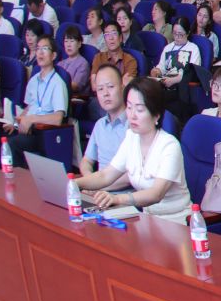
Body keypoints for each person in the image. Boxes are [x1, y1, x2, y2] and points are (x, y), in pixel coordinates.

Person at [70, 78, 192, 223]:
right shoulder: (131, 137)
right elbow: (105, 176)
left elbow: (156, 194)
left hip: (176, 220)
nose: (132, 115)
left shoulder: (169, 146)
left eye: (139, 109)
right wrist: (74, 183)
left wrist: (117, 199)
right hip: (147, 219)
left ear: (156, 115)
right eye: (129, 107)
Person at [10, 36, 73, 164]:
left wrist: (32, 119)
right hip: (29, 129)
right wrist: (16, 124)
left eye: (45, 49)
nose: (40, 53)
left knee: (14, 143)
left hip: (44, 133)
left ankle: (21, 176)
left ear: (53, 55)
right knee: (1, 138)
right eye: (38, 49)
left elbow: (58, 118)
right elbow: (29, 107)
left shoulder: (58, 83)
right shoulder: (33, 80)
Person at [83, 64, 130, 168]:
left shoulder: (133, 124)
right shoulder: (99, 125)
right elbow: (87, 161)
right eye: (100, 89)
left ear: (122, 88)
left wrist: (98, 178)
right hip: (100, 178)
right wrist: (88, 175)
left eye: (110, 87)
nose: (105, 93)